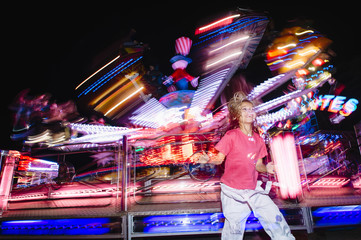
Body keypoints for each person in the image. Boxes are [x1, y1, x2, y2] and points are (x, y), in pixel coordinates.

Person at [197, 92, 295, 240]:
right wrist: (207, 159)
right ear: (237, 115)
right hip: (232, 191)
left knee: (276, 219)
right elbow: (218, 159)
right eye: (245, 109)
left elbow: (258, 166)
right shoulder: (231, 136)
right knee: (233, 232)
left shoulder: (259, 140)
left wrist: (266, 168)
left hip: (253, 189)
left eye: (251, 109)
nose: (250, 112)